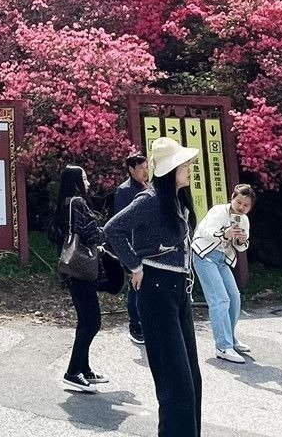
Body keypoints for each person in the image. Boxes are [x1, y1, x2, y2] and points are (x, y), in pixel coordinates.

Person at [105, 137, 203, 437]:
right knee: (176, 382)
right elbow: (113, 229)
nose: (189, 168)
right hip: (157, 290)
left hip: (179, 291)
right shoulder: (149, 200)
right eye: (184, 164)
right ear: (170, 169)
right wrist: (134, 265)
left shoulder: (178, 201)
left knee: (192, 380)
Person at [50, 165, 107, 393]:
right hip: (82, 270)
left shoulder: (64, 203)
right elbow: (91, 233)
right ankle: (73, 372)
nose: (89, 183)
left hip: (73, 270)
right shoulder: (78, 203)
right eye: (84, 178)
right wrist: (103, 232)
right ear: (75, 180)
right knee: (92, 321)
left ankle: (84, 368)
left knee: (85, 321)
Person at [192, 184, 254, 363]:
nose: (241, 207)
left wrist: (242, 240)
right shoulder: (219, 211)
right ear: (232, 198)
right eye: (239, 202)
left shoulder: (244, 221)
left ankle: (230, 339)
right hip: (204, 256)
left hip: (222, 260)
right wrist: (224, 234)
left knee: (234, 297)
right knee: (220, 299)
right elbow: (204, 231)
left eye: (246, 205)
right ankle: (223, 346)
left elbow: (241, 247)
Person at [113, 153, 150, 345]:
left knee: (144, 286)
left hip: (147, 247)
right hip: (131, 248)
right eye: (141, 168)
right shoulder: (124, 191)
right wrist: (127, 253)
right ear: (131, 169)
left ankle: (145, 324)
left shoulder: (148, 187)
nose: (145, 171)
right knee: (134, 287)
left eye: (146, 166)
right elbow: (120, 225)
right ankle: (135, 327)